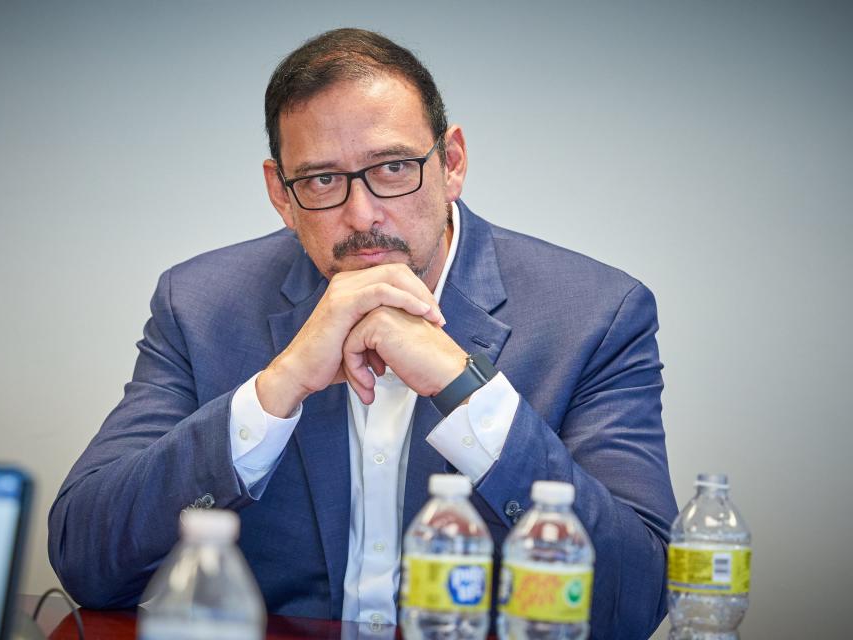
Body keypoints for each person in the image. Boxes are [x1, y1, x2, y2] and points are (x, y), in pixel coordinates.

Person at [48, 28, 677, 637]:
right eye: (322, 180)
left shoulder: (594, 314)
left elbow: (636, 600)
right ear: (280, 193)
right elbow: (86, 560)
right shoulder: (201, 305)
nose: (362, 215)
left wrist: (466, 389)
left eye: (394, 167)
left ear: (451, 162)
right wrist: (277, 388)